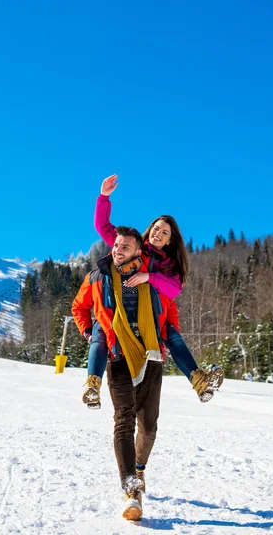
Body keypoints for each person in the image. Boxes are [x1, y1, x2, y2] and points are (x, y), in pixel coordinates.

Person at [81, 174, 223, 408]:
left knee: (173, 336)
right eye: (156, 228)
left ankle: (199, 380)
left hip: (152, 317)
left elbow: (174, 289)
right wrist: (104, 197)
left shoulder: (169, 266)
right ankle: (92, 384)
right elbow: (103, 227)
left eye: (164, 232)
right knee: (101, 331)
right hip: (122, 312)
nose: (158, 233)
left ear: (169, 240)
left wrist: (148, 276)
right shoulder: (134, 246)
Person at [72, 226, 180, 520]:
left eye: (125, 246)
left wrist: (171, 336)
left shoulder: (149, 276)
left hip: (150, 356)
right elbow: (79, 307)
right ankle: (131, 490)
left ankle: (140, 469)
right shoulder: (98, 276)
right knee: (124, 421)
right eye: (116, 244)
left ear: (137, 251)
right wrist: (88, 332)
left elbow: (169, 307)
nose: (118, 248)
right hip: (117, 356)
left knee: (149, 425)